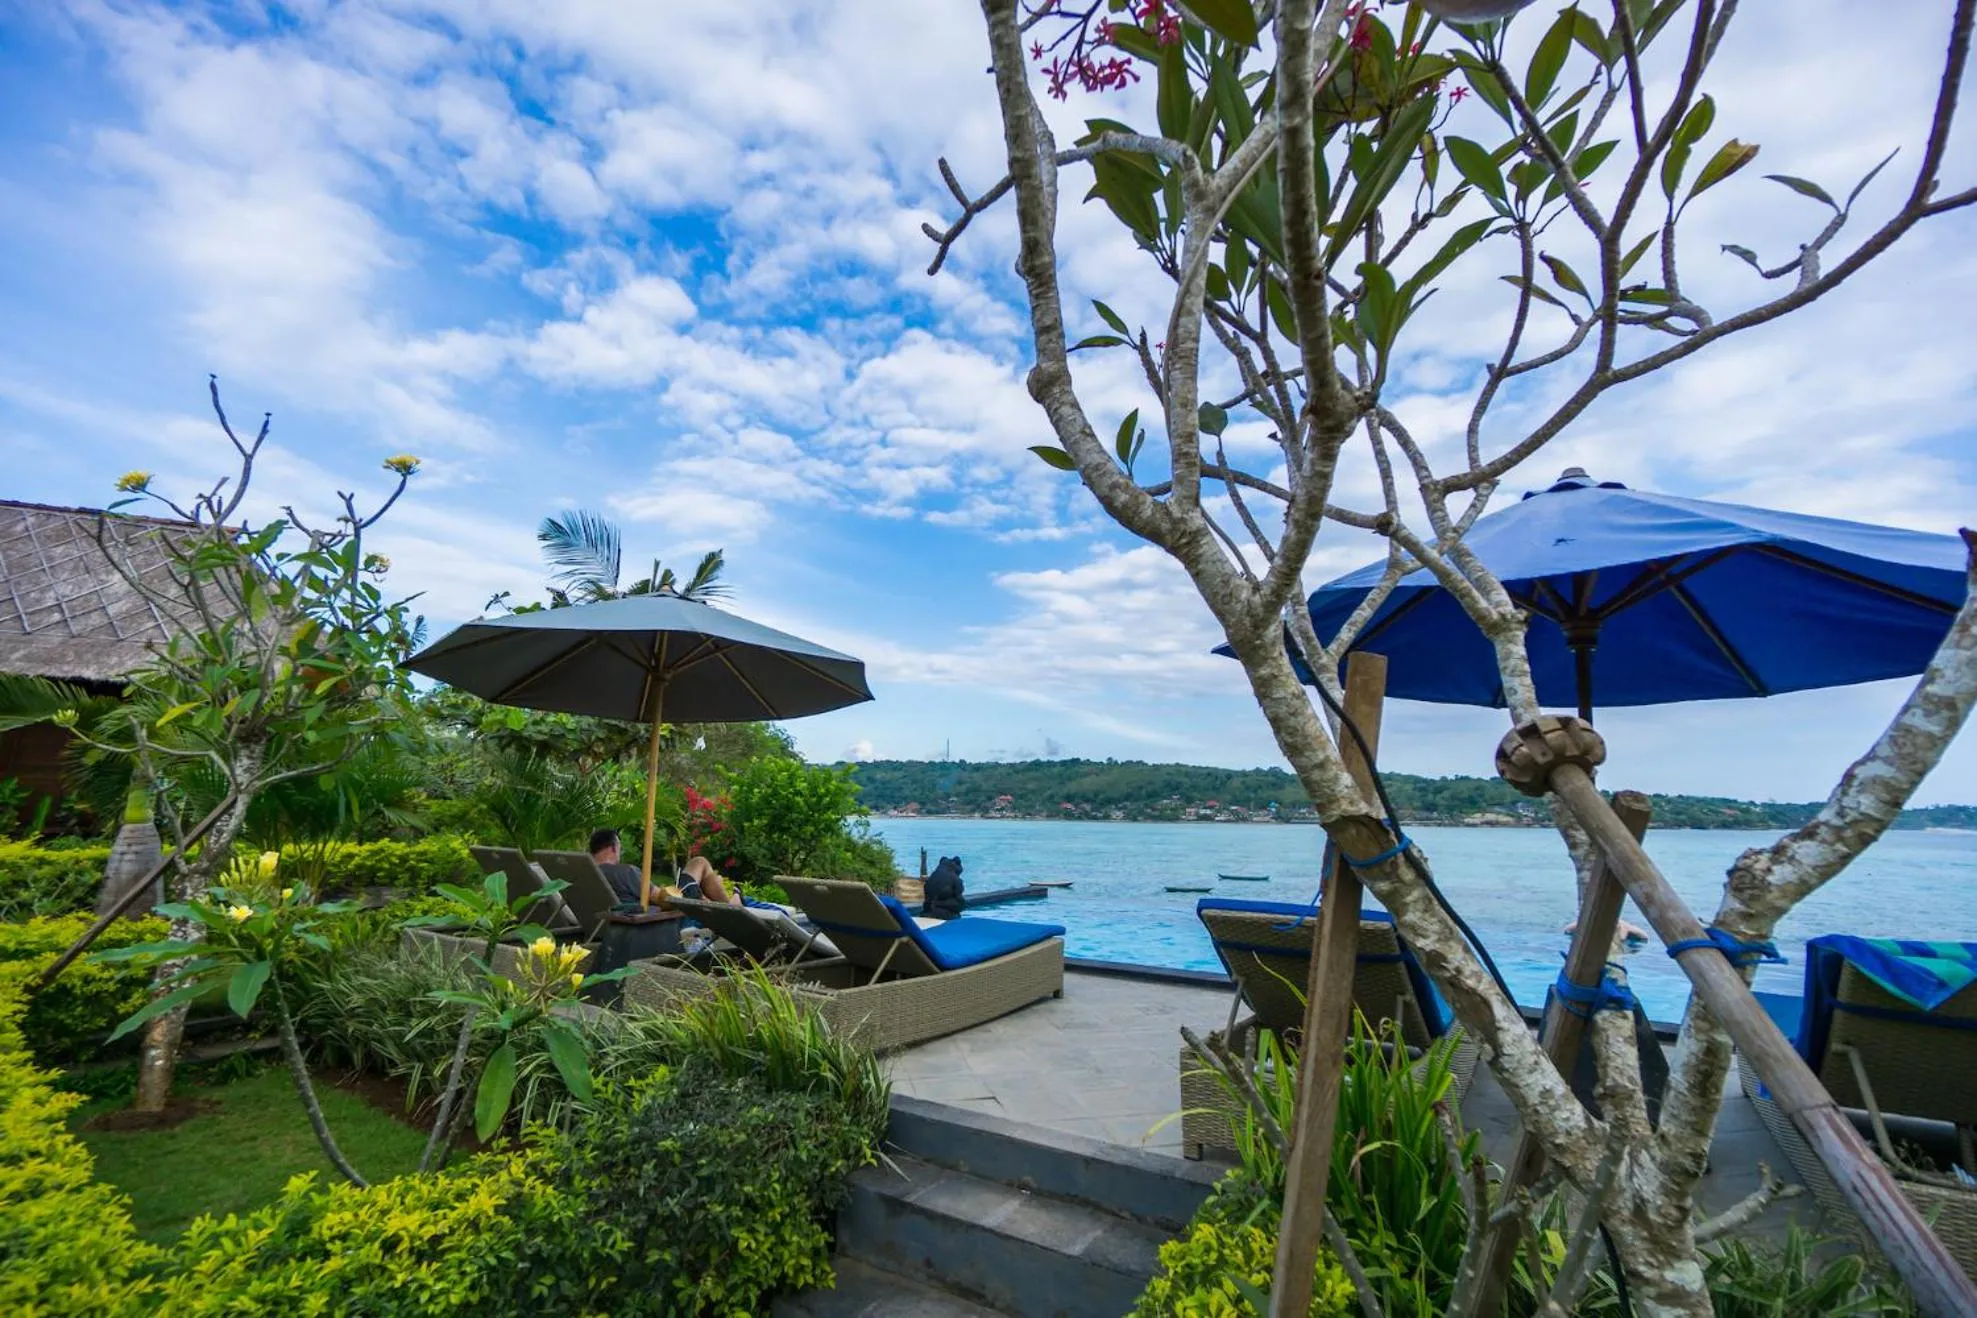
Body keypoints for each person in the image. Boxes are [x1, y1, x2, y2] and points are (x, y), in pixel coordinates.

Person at [588, 828, 647, 906]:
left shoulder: (583, 873)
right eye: (620, 848)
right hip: (634, 917)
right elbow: (658, 897)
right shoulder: (627, 872)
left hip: (590, 917)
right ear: (613, 848)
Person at [678, 855, 743, 906]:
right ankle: (732, 904)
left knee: (699, 861)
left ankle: (732, 902)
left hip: (684, 892)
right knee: (700, 861)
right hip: (686, 895)